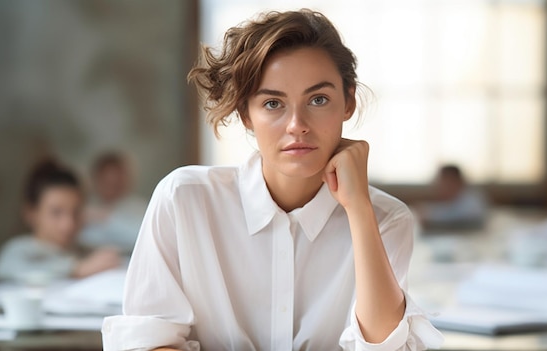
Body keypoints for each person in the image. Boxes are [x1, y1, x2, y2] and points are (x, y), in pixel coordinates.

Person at [102, 9, 443, 351]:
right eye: (273, 103)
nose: (297, 124)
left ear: (348, 102)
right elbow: (146, 343)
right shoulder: (183, 200)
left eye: (318, 99)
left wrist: (359, 209)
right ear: (245, 114)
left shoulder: (386, 218)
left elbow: (385, 347)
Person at [0, 159, 120, 283]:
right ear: (31, 213)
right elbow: (4, 268)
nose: (68, 224)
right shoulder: (18, 249)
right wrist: (76, 269)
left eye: (76, 212)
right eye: (56, 212)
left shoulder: (84, 249)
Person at [80, 151, 147, 255]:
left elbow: (142, 238)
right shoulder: (85, 207)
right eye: (106, 181)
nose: (111, 185)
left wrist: (106, 218)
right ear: (96, 179)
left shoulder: (139, 207)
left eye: (116, 181)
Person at [418, 164, 488, 229]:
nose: (439, 187)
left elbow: (459, 216)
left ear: (455, 181)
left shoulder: (472, 200)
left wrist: (431, 217)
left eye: (443, 182)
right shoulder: (454, 199)